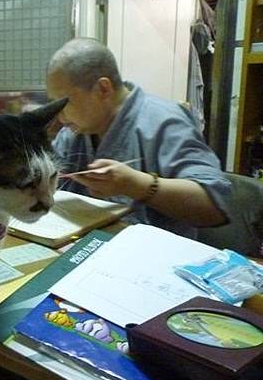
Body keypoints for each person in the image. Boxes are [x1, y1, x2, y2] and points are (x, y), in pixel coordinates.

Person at [47, 37, 230, 239]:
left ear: (103, 89)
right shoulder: (75, 132)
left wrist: (135, 184)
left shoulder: (164, 121)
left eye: (65, 103)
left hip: (154, 255)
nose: (60, 116)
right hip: (85, 245)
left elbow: (213, 206)